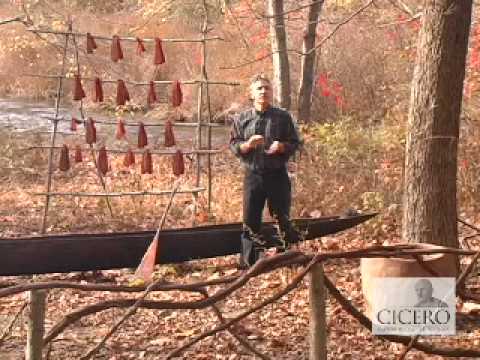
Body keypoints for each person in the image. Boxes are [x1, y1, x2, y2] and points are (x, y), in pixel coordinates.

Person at [230, 74, 302, 268]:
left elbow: (296, 143)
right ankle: (249, 264)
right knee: (250, 220)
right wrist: (247, 145)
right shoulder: (241, 119)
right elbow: (234, 145)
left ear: (272, 92)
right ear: (251, 94)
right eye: (259, 88)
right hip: (252, 175)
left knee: (282, 218)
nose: (263, 91)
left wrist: (282, 147)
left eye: (267, 88)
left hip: (277, 174)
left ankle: (286, 260)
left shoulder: (283, 117)